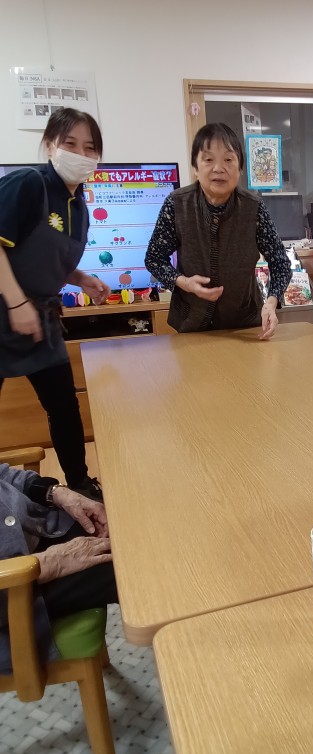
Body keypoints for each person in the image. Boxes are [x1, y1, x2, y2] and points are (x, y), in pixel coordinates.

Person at [0, 109, 109, 500]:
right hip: (5, 311)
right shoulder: (29, 184)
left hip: (41, 317)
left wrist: (81, 278)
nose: (81, 154)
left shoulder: (79, 206)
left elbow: (47, 257)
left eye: (90, 148)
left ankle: (80, 483)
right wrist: (16, 304)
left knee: (64, 405)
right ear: (49, 146)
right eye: (70, 144)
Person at [145, 122, 292, 339]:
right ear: (195, 167)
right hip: (191, 325)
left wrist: (271, 302)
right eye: (208, 159)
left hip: (244, 327)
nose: (218, 168)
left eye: (228, 159)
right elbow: (154, 259)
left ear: (240, 168)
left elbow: (280, 264)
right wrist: (184, 283)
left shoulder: (253, 207)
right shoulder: (177, 204)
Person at [0, 461, 117, 672]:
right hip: (15, 591)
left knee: (124, 520)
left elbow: (5, 476)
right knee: (131, 569)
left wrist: (55, 492)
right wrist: (48, 562)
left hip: (39, 529)